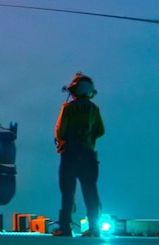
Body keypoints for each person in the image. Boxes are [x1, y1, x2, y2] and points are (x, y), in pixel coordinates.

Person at [53, 72, 104, 237]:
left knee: (68, 192)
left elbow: (60, 132)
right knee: (90, 191)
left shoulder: (68, 108)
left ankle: (65, 227)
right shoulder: (94, 108)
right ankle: (94, 228)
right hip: (88, 155)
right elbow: (100, 131)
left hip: (70, 155)